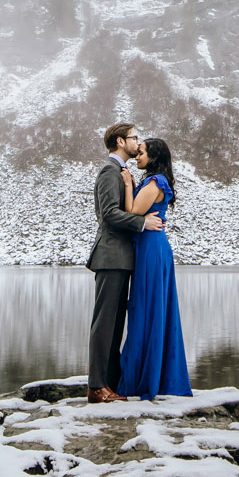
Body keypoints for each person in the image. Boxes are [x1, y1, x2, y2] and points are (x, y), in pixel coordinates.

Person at [86, 121, 160, 403]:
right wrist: (142, 222)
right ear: (120, 142)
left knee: (116, 323)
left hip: (121, 257)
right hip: (110, 256)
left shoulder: (120, 171)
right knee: (104, 323)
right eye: (134, 138)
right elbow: (109, 215)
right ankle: (96, 386)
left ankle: (110, 383)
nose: (136, 142)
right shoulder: (109, 171)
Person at [114, 136, 192, 400]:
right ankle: (151, 374)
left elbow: (133, 211)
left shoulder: (154, 181)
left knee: (145, 309)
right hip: (151, 248)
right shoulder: (155, 181)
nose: (138, 156)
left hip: (151, 250)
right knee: (150, 309)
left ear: (154, 157)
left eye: (142, 153)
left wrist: (127, 185)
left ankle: (143, 379)